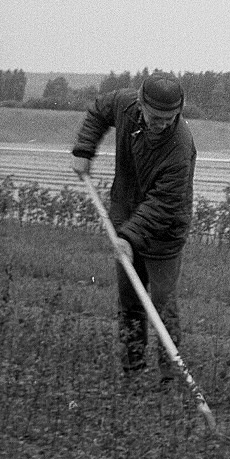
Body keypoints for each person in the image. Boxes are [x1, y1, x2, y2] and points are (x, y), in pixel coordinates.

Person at [71, 73, 197, 381]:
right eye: (156, 117)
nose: (163, 124)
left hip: (165, 227)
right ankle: (133, 371)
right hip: (124, 210)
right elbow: (100, 109)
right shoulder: (124, 104)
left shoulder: (180, 147)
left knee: (163, 303)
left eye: (170, 118)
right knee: (129, 299)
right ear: (140, 104)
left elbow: (163, 204)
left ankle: (169, 377)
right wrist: (84, 150)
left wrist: (128, 236)